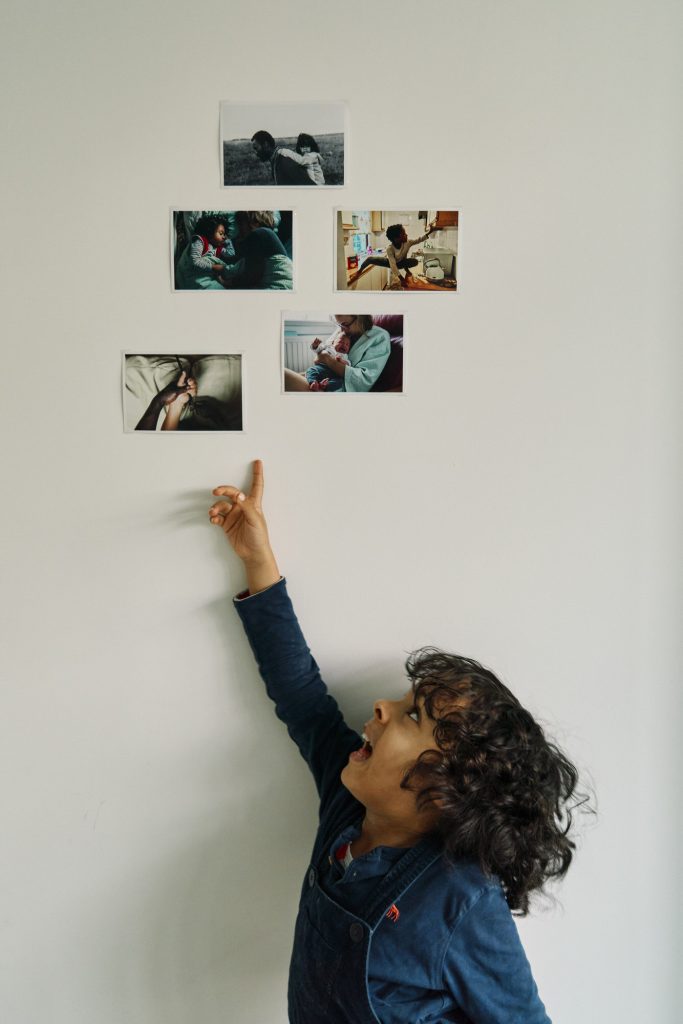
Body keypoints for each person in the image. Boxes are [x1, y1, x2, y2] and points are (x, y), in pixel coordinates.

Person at [207, 461, 588, 1023]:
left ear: (444, 790)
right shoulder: (346, 807)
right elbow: (303, 699)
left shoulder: (461, 902)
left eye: (412, 715)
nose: (381, 708)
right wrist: (258, 561)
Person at [284, 315, 390, 393]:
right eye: (339, 324)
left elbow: (362, 381)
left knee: (281, 375)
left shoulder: (380, 337)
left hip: (339, 387)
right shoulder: (342, 329)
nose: (341, 328)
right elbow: (317, 359)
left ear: (359, 317)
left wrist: (327, 359)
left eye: (345, 324)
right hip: (321, 374)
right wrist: (323, 356)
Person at [219, 211, 293, 290]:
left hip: (281, 284)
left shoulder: (259, 233)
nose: (239, 229)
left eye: (241, 223)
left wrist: (228, 283)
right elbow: (244, 264)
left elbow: (252, 276)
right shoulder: (266, 236)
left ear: (254, 222)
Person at [360, 220, 437, 290]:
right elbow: (393, 265)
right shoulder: (390, 249)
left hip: (402, 262)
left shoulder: (408, 242)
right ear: (396, 239)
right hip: (390, 263)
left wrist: (429, 232)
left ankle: (406, 269)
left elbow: (419, 239)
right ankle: (358, 272)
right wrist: (402, 279)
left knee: (415, 261)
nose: (406, 235)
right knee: (370, 259)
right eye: (404, 234)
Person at [174, 215, 237, 290]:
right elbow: (194, 261)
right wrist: (213, 267)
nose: (223, 236)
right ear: (210, 232)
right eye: (221, 233)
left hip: (205, 275)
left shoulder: (217, 247)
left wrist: (227, 240)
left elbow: (231, 253)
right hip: (190, 274)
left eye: (224, 234)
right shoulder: (200, 241)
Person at [251, 130, 315, 186]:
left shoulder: (285, 161)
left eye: (256, 148)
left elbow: (309, 187)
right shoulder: (276, 159)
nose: (256, 153)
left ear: (265, 144)